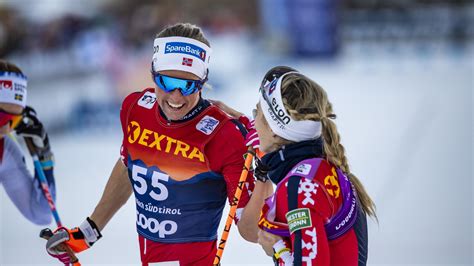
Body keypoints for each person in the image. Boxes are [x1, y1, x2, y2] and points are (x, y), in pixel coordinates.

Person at [45, 23, 265, 265]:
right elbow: (130, 164)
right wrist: (89, 230)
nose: (176, 96)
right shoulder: (136, 108)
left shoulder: (225, 135)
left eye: (188, 85)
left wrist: (267, 157)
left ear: (203, 81)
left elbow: (252, 230)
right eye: (168, 82)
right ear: (153, 74)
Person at [251, 66, 376, 265]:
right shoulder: (321, 166)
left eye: (256, 113)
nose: (253, 122)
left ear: (274, 129)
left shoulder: (299, 186)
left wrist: (277, 247)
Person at [0, 60, 56, 225]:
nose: (6, 128)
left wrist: (44, 156)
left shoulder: (5, 150)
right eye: (2, 117)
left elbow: (40, 214)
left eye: (15, 120)